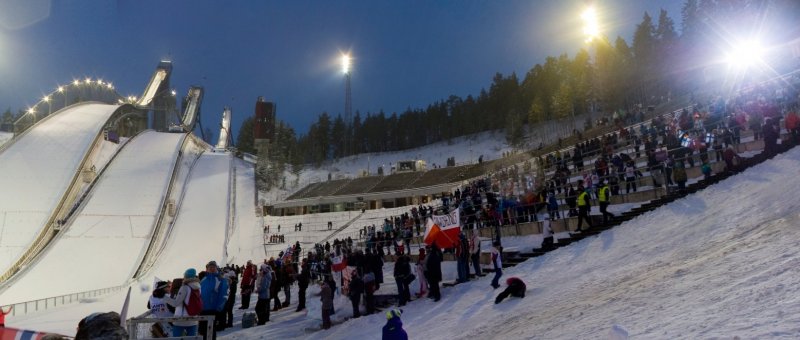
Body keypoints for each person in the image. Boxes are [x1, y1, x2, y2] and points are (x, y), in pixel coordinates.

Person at [165, 268, 201, 337]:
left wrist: (163, 297)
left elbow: (176, 303)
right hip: (194, 319)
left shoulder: (185, 287)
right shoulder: (198, 287)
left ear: (186, 276)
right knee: (192, 339)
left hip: (181, 319)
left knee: (177, 338)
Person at [199, 261, 228, 340]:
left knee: (211, 332)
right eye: (210, 267)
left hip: (213, 310)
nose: (211, 269)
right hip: (203, 309)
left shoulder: (220, 279)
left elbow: (224, 295)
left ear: (216, 268)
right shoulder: (204, 280)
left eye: (213, 267)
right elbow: (199, 293)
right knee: (203, 332)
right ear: (207, 269)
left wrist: (219, 309)